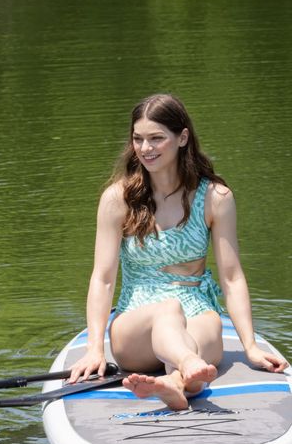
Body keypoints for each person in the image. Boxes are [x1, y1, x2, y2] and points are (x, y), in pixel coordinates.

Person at [70, 93, 287, 407]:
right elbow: (103, 279)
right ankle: (188, 363)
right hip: (135, 326)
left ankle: (175, 382)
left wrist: (250, 345)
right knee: (168, 309)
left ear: (182, 138)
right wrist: (94, 349)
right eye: (138, 139)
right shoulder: (118, 199)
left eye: (156, 138)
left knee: (205, 321)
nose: (145, 148)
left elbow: (232, 277)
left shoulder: (215, 198)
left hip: (196, 312)